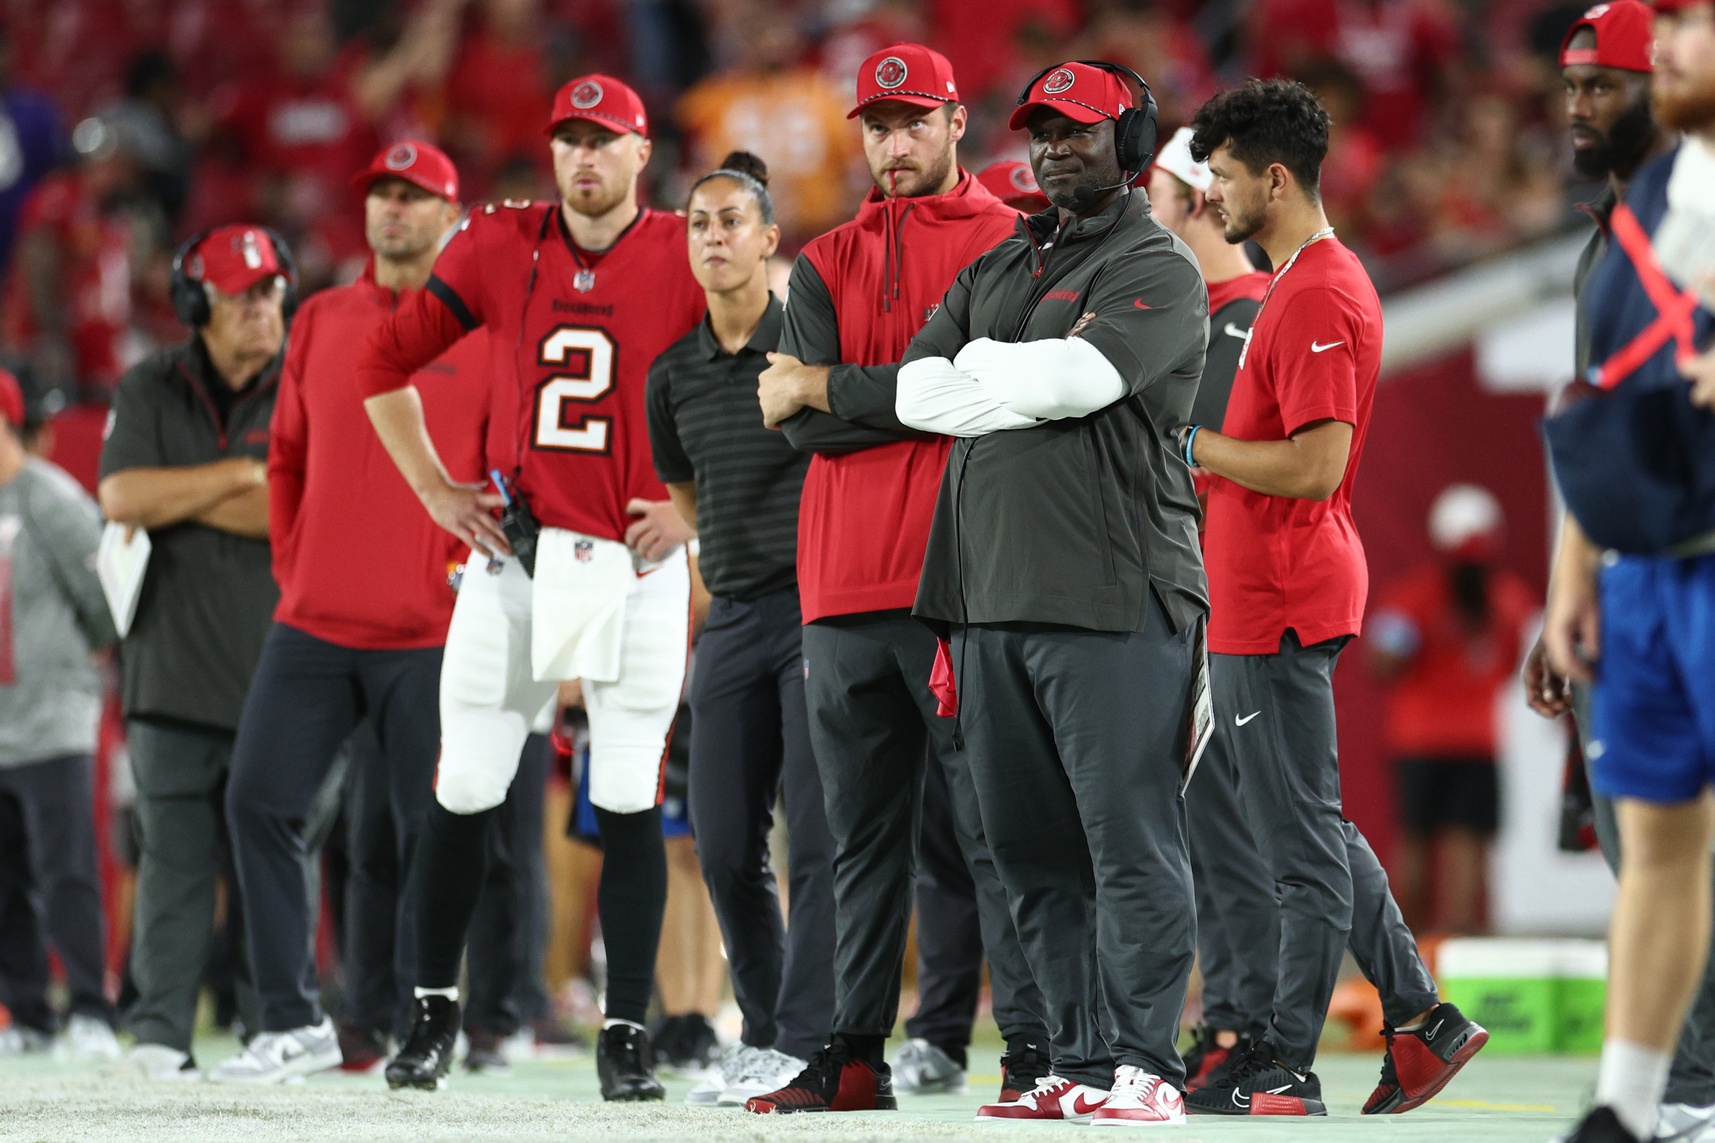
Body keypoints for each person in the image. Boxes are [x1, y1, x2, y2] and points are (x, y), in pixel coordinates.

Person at [356, 74, 706, 1101]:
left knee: (628, 792)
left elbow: (760, 387)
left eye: (604, 141)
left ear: (643, 153)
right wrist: (430, 487)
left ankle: (626, 1031)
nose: (583, 159)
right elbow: (382, 360)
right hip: (516, 555)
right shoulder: (499, 242)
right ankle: (428, 1019)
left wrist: (700, 513)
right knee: (464, 784)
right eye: (568, 141)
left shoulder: (690, 247)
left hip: (637, 560)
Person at [890, 59, 1206, 1128]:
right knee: (1027, 854)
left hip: (1113, 595)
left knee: (1126, 841)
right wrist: (1011, 373)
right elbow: (912, 394)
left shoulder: (1155, 260)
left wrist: (988, 372)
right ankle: (1071, 1059)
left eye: (1078, 130)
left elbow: (1081, 383)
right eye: (1040, 130)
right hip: (985, 597)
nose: (1053, 146)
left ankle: (1145, 1064)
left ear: (1130, 143)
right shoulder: (1002, 259)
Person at [745, 42, 1051, 1114]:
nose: (892, 141)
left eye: (912, 120)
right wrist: (903, 396)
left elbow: (995, 395)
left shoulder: (1015, 241)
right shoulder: (825, 256)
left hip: (962, 585)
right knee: (853, 843)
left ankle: (1032, 1055)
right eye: (876, 124)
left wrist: (833, 388)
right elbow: (796, 435)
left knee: (993, 833)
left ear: (956, 121)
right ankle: (852, 1056)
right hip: (837, 589)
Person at [1179, 79, 1486, 1117]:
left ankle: (1283, 1060)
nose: (1209, 197)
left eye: (1219, 178)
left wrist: (1189, 447)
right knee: (1306, 827)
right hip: (1260, 592)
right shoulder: (1300, 285)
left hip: (1277, 590)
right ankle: (1419, 1018)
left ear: (1271, 178)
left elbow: (1313, 468)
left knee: (1297, 839)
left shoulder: (1314, 293)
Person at [210, 142, 485, 1083]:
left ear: (453, 216)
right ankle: (291, 1018)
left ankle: (429, 1020)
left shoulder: (481, 334)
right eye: (380, 196)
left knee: (432, 831)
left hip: (430, 630)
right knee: (258, 799)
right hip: (316, 623)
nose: (391, 212)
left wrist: (464, 575)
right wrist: (295, 567)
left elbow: (508, 473)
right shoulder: (321, 319)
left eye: (413, 197)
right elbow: (284, 456)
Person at [1548, 0, 1715, 1136]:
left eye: (1690, 29)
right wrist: (1573, 576)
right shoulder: (1648, 203)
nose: (1667, 52)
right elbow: (1603, 401)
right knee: (1650, 843)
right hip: (1642, 566)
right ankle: (1628, 1105)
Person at [646, 151, 834, 1106]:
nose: (713, 237)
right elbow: (686, 496)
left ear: (769, 241)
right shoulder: (670, 374)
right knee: (721, 842)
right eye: (698, 224)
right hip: (729, 618)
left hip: (815, 611)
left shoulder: (810, 346)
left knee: (816, 837)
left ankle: (806, 1038)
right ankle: (764, 1031)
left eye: (731, 221)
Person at [98, 223, 290, 1080]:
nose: (262, 309)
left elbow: (294, 510)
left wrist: (183, 496)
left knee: (276, 863)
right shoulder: (148, 382)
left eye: (271, 292)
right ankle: (160, 1034)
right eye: (242, 295)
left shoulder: (306, 385)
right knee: (172, 862)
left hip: (283, 679)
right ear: (195, 307)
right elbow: (120, 494)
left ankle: (275, 1030)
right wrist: (239, 478)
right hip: (168, 673)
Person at [1145, 123, 1277, 1090]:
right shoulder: (1209, 313)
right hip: (1203, 605)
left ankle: (1245, 1027)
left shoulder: (1244, 316)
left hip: (1237, 606)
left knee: (1242, 829)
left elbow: (1201, 472)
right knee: (1214, 827)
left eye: (1155, 190)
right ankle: (1235, 1021)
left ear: (1196, 199)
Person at [0, 366, 120, 1061]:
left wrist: (82, 666)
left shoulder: (52, 497)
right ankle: (28, 1010)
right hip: (3, 723)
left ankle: (90, 1009)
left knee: (68, 868)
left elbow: (103, 592)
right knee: (8, 877)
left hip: (52, 720)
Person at [1367, 485, 1538, 935]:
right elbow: (1509, 667)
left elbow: (1382, 664)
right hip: (1477, 741)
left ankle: (1407, 958)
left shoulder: (1412, 597)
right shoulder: (1511, 601)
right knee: (1467, 850)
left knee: (1415, 843)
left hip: (1418, 740)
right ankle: (1460, 955)